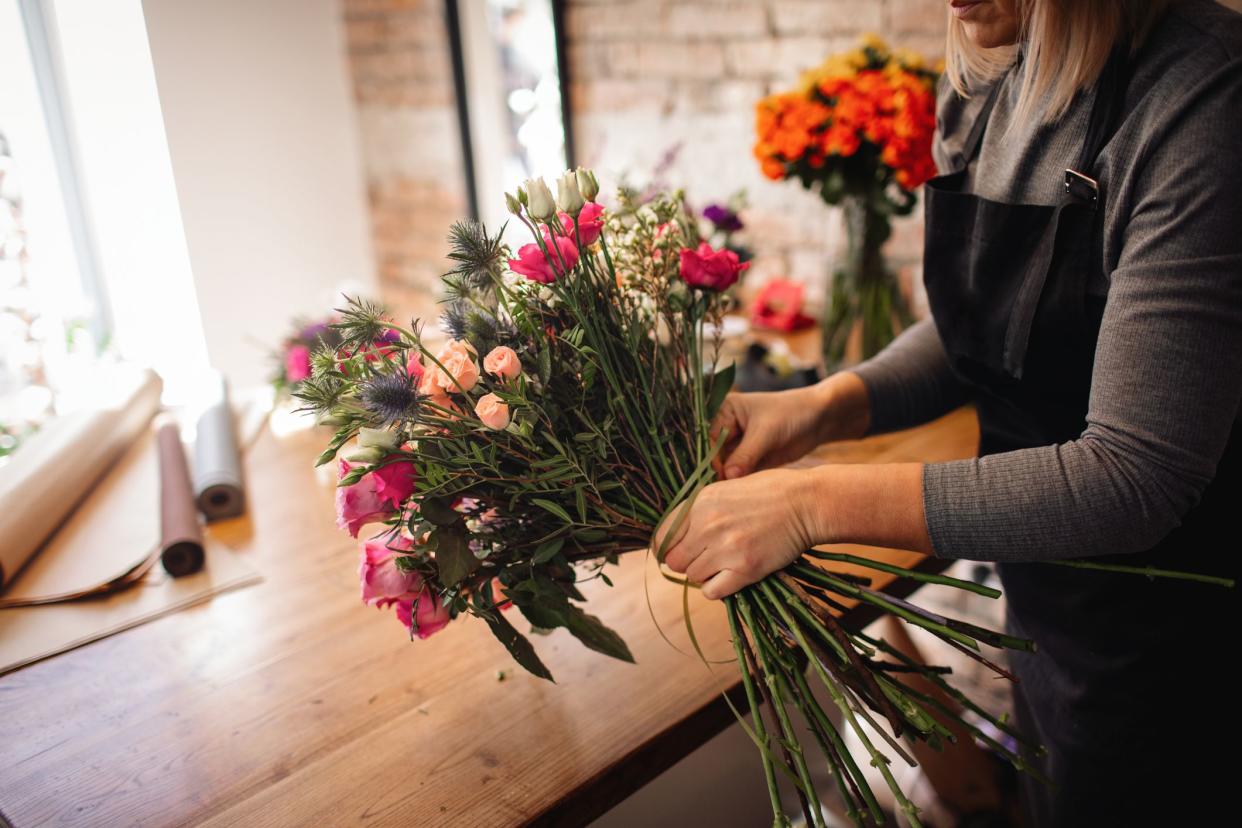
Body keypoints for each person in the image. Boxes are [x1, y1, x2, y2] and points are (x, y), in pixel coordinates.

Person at [655, 1, 1242, 824]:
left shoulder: (1201, 93)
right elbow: (987, 325)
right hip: (1044, 610)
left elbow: (1133, 477)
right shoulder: (987, 73)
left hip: (1173, 654)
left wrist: (811, 502)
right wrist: (823, 406)